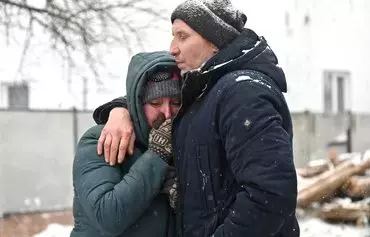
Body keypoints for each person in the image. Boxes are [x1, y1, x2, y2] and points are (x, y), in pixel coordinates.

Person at [93, 0, 300, 236]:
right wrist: (120, 110)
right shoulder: (207, 90)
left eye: (182, 36)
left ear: (214, 40)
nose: (172, 48)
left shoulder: (242, 92)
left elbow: (270, 193)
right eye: (173, 36)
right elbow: (154, 96)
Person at [70, 51, 181, 237]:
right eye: (155, 103)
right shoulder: (101, 139)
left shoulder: (179, 143)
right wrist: (156, 157)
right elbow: (108, 217)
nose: (167, 113)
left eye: (176, 102)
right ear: (137, 104)